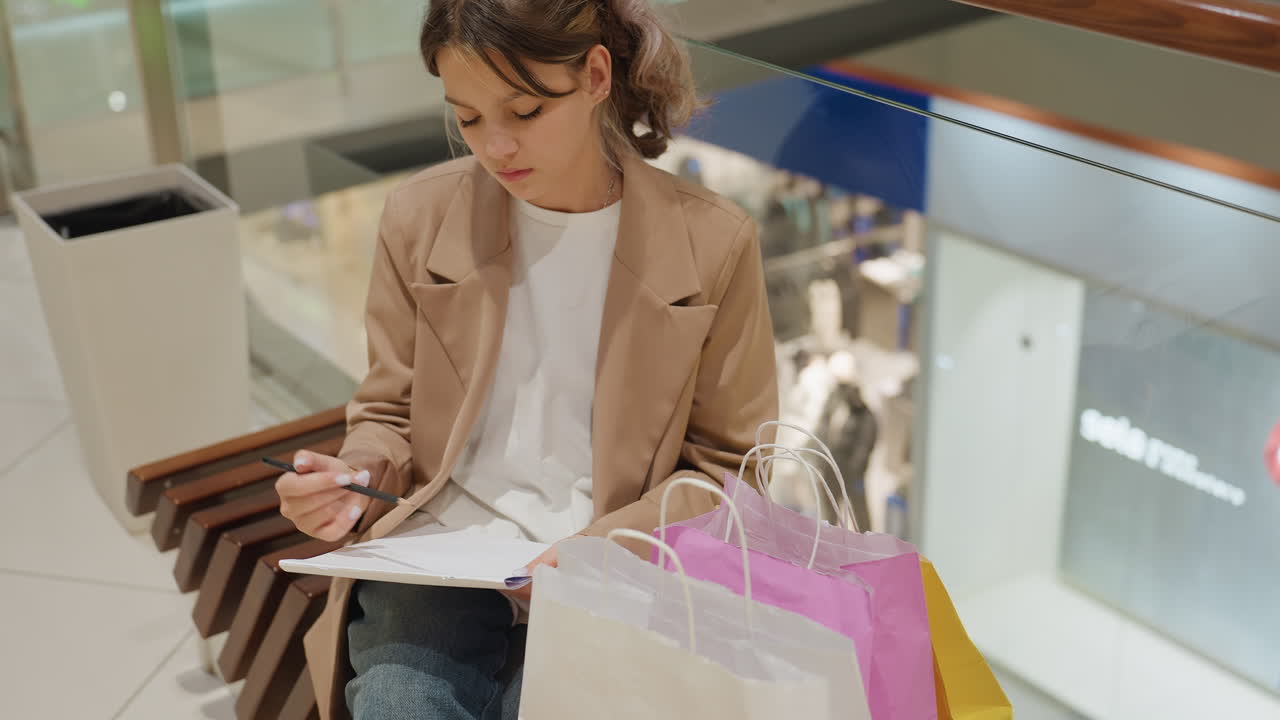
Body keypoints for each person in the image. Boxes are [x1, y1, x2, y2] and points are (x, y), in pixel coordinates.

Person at [275, 1, 778, 718]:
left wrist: (600, 551)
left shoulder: (712, 242)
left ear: (596, 74)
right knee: (397, 701)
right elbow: (389, 410)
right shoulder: (420, 217)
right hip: (440, 549)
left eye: (526, 110)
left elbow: (735, 470)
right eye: (469, 118)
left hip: (613, 560)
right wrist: (355, 478)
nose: (496, 147)